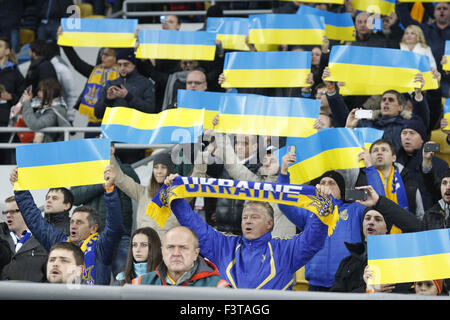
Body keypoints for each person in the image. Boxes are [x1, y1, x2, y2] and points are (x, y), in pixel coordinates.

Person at [161, 173, 329, 290]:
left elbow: (312, 239)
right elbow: (194, 224)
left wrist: (322, 208)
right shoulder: (224, 246)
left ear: (269, 223)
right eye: (245, 217)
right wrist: (175, 196)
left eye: (255, 217)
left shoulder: (285, 250)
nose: (248, 220)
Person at [9, 166, 124, 285]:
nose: (73, 226)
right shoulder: (60, 242)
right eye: (72, 221)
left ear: (93, 228)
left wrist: (110, 191)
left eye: (79, 222)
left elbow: (115, 226)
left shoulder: (101, 248)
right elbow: (35, 220)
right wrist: (20, 189)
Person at [277, 153, 367, 291]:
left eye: (332, 183)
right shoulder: (309, 212)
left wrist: (370, 168)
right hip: (315, 284)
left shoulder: (355, 210)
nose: (326, 186)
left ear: (341, 191)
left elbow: (376, 198)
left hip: (347, 283)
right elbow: (283, 203)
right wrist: (284, 172)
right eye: (322, 183)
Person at [330, 185, 422, 293]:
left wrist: (379, 202)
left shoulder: (400, 256)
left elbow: (419, 230)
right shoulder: (347, 262)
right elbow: (336, 296)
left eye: (378, 219)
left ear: (387, 228)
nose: (371, 222)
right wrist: (368, 290)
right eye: (367, 218)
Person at [71, 141, 140, 279]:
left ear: (112, 149)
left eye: (104, 148)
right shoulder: (85, 171)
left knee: (125, 278)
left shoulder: (125, 168)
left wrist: (113, 165)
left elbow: (135, 182)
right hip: (91, 237)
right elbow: (75, 197)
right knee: (93, 279)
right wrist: (102, 184)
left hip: (120, 235)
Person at [324, 66, 430, 153]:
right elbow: (344, 119)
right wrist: (331, 89)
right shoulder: (366, 120)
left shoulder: (408, 125)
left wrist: (418, 93)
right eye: (383, 100)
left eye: (391, 100)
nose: (386, 102)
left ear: (400, 107)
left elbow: (421, 120)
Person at [58, 26, 119, 138]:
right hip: (93, 122)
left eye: (107, 55)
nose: (103, 57)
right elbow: (76, 62)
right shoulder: (93, 72)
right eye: (102, 54)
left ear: (116, 58)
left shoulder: (122, 76)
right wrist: (63, 41)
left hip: (113, 123)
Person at [110, 149, 179, 240]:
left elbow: (196, 180)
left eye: (163, 167)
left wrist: (201, 158)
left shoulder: (179, 194)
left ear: (170, 170)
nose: (159, 171)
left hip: (169, 250)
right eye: (156, 167)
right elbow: (120, 178)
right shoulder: (143, 193)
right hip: (145, 250)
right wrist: (109, 154)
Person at [132, 226, 231, 287]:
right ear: (162, 251)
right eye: (170, 247)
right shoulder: (140, 284)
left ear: (196, 253)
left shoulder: (218, 288)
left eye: (183, 248)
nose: (176, 253)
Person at [356, 139, 424, 221]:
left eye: (384, 150)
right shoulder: (359, 180)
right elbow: (354, 208)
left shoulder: (408, 182)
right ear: (369, 157)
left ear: (394, 158)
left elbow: (420, 216)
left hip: (404, 233)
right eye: (375, 150)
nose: (379, 153)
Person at [397, 2, 450, 97]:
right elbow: (406, 19)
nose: (441, 10)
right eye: (438, 8)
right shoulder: (425, 29)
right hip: (427, 81)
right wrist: (401, 2)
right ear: (434, 12)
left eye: (445, 8)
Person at [396, 119, 449, 210]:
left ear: (422, 139)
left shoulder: (439, 164)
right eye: (404, 133)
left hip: (429, 217)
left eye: (412, 133)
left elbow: (442, 194)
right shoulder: (394, 163)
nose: (407, 137)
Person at [93, 48, 156, 121]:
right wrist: (107, 100)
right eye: (119, 65)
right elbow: (98, 114)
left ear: (134, 64)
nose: (122, 68)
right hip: (114, 129)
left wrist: (128, 97)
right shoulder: (111, 84)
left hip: (136, 129)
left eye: (126, 65)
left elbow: (150, 110)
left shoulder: (146, 83)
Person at [0, 196, 48, 282]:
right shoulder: (1, 238)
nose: (8, 215)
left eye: (13, 212)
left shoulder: (45, 240)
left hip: (30, 294)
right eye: (6, 212)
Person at [15, 78, 71, 143]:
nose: (38, 93)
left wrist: (27, 102)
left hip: (48, 149)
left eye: (41, 91)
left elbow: (35, 124)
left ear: (50, 92)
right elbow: (15, 111)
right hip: (42, 147)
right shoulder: (41, 106)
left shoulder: (54, 110)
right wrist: (24, 98)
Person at [0, 37, 25, 164]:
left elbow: (24, 97)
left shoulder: (15, 73)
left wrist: (11, 97)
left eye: (0, 46)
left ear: (7, 51)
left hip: (6, 122)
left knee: (5, 159)